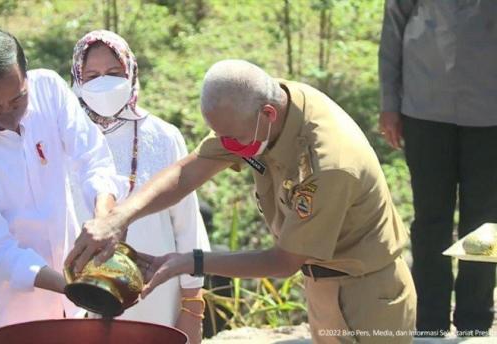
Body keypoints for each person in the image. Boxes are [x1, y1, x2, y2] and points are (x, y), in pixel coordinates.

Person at [66, 59, 417, 343]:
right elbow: (189, 172)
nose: (226, 147)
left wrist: (190, 262)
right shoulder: (258, 108)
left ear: (268, 115)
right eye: (220, 137)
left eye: (232, 139)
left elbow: (284, 262)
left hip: (366, 295)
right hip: (322, 287)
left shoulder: (329, 163)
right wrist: (119, 218)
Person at [0, 26, 125, 335]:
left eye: (17, 99)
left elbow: (92, 157)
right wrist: (70, 285)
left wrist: (104, 218)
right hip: (9, 310)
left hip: (73, 303)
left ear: (26, 75)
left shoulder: (49, 89)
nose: (9, 114)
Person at [68, 30, 210, 343]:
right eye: (92, 75)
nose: (103, 83)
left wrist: (191, 309)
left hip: (157, 297)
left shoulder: (162, 136)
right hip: (80, 297)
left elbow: (187, 227)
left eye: (114, 73)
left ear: (131, 72)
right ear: (77, 79)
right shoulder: (65, 139)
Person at [379, 0, 497, 336]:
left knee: (485, 221)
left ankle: (475, 319)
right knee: (430, 219)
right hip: (424, 109)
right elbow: (393, 31)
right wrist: (389, 103)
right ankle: (429, 320)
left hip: (490, 115)